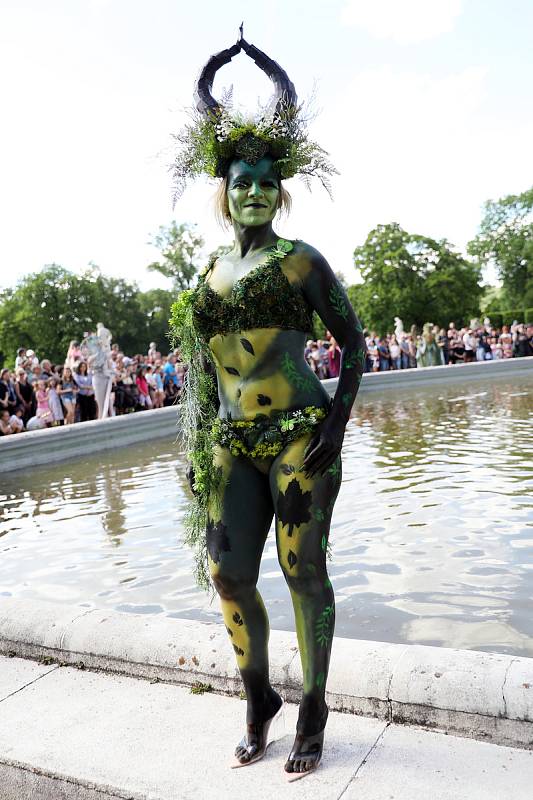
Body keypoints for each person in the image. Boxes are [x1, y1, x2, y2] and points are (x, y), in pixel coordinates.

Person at [170, 32, 366, 779]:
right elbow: (197, 372)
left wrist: (335, 428)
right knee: (227, 574)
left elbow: (355, 345)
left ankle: (313, 704)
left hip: (297, 437)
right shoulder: (210, 269)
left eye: (264, 181)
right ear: (223, 188)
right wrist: (194, 453)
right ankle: (259, 698)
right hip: (228, 441)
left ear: (278, 188)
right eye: (240, 180)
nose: (252, 191)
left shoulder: (301, 260)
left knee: (302, 571)